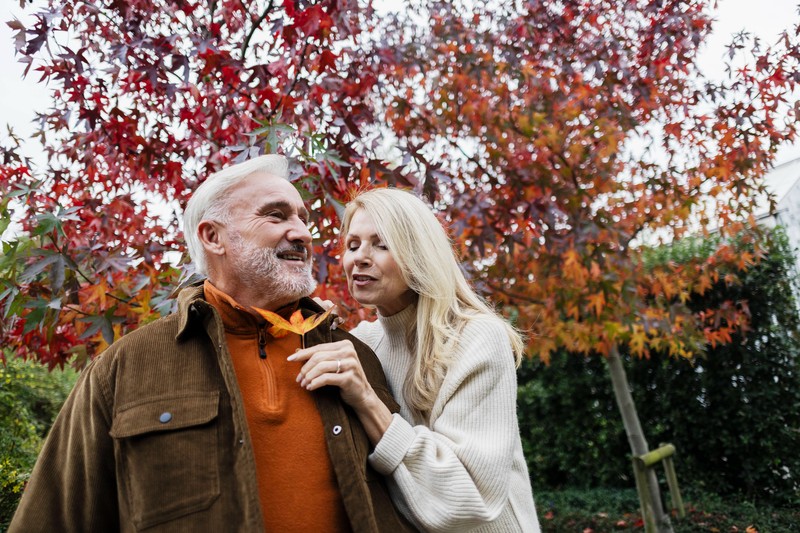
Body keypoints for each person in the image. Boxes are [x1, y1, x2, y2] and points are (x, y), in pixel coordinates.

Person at [9, 155, 416, 533]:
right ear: (213, 237)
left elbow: (414, 500)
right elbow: (53, 518)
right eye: (276, 215)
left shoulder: (357, 360)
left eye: (302, 218)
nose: (301, 232)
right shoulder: (126, 367)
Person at [289, 188, 541, 532]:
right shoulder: (362, 343)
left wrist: (368, 401)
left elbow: (469, 499)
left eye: (381, 244)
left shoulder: (477, 338)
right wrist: (311, 332)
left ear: (419, 254)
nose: (360, 257)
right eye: (352, 245)